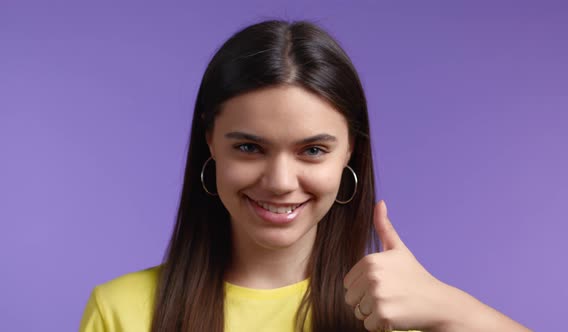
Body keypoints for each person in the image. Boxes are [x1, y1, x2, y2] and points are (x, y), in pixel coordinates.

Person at [79, 20, 531, 332]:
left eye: (312, 150)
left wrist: (452, 308)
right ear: (210, 142)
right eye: (249, 147)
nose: (279, 180)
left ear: (350, 151)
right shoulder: (122, 311)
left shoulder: (397, 308)